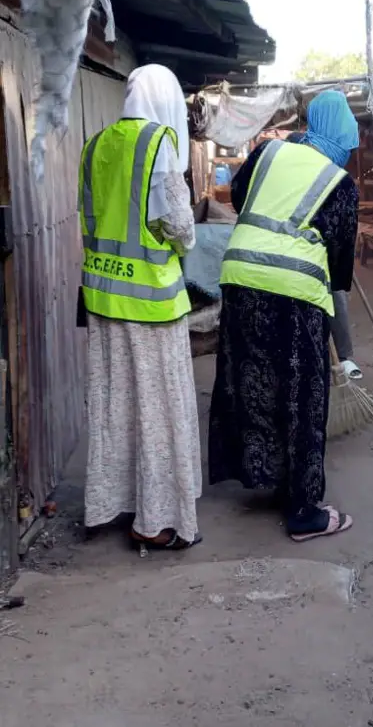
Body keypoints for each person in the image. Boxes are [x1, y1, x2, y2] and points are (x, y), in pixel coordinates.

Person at [209, 90, 359, 541]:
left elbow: (238, 197)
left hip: (239, 281)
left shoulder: (268, 151)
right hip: (294, 296)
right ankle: (302, 510)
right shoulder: (340, 182)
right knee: (302, 398)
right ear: (343, 137)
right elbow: (339, 268)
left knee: (252, 384)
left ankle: (266, 475)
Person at [79, 64, 201, 550]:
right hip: (151, 304)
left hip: (103, 297)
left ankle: (109, 503)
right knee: (157, 412)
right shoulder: (160, 144)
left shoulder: (95, 145)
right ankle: (155, 521)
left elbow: (91, 218)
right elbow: (181, 229)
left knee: (114, 406)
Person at [287, 130, 361, 380]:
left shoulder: (324, 176)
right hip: (293, 258)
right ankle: (311, 363)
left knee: (336, 297)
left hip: (321, 251)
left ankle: (345, 357)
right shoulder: (287, 180)